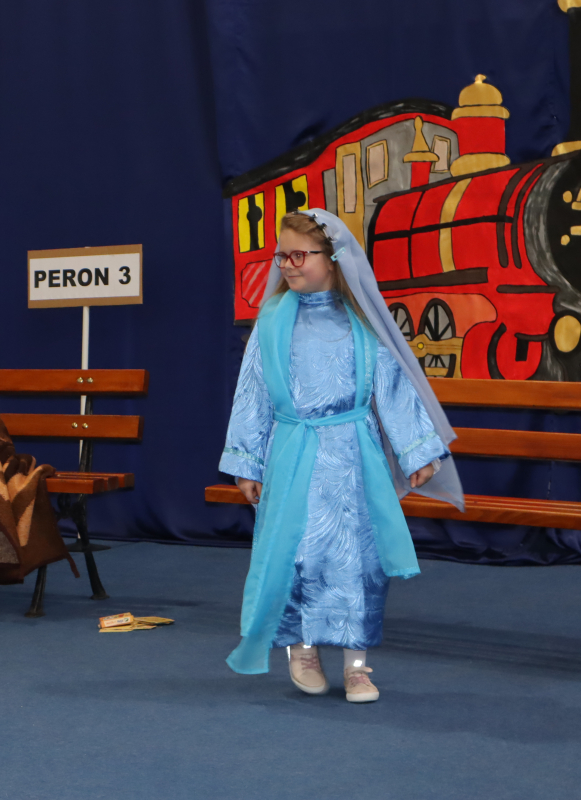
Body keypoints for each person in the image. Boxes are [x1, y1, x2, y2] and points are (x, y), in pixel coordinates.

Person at [220, 208, 464, 703]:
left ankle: (357, 665)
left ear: (332, 259)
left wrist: (417, 451)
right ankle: (303, 649)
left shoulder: (362, 323)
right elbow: (253, 392)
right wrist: (247, 462)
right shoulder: (272, 322)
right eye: (281, 256)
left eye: (299, 255)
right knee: (298, 555)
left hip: (355, 459)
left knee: (360, 559)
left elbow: (391, 387)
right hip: (291, 456)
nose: (287, 265)